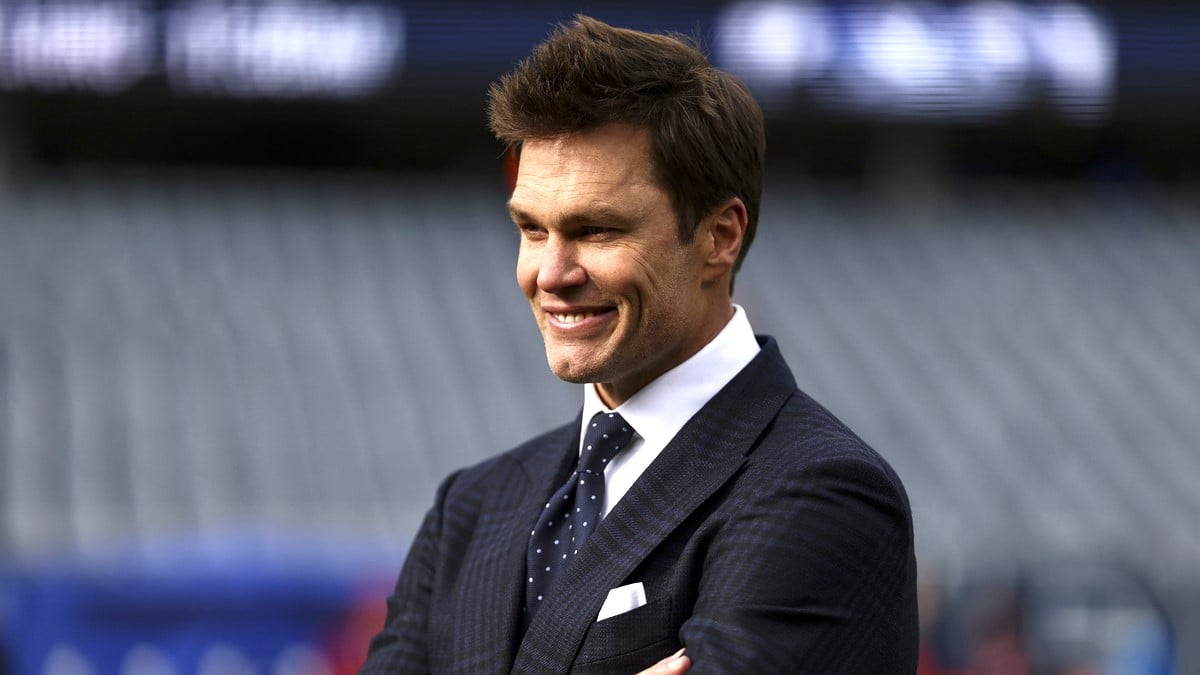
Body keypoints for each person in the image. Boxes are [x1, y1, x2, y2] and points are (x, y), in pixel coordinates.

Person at [361, 15, 917, 674]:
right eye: (532, 229)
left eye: (596, 230)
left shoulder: (822, 494)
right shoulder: (471, 506)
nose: (551, 274)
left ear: (719, 237)